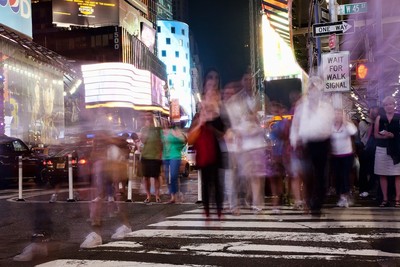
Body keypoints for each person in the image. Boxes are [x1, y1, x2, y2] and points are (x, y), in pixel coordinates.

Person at [224, 69, 268, 214]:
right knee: (244, 175)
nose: (249, 82)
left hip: (257, 143)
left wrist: (259, 122)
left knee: (256, 175)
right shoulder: (235, 101)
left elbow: (266, 118)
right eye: (246, 79)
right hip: (241, 144)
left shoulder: (261, 98)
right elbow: (233, 123)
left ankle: (256, 203)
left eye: (251, 79)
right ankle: (241, 200)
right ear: (242, 82)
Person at [290, 76, 335, 214]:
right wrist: (294, 140)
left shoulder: (327, 107)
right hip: (307, 143)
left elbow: (330, 125)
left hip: (322, 143)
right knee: (308, 174)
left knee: (321, 175)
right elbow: (295, 125)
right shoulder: (301, 107)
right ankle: (310, 199)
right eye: (311, 88)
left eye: (315, 88)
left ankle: (318, 202)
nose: (313, 91)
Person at [188, 68, 226, 219]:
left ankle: (218, 212)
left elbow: (223, 134)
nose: (212, 85)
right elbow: (190, 137)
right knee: (205, 182)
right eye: (210, 80)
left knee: (216, 182)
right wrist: (201, 121)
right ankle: (208, 212)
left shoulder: (220, 110)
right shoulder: (199, 114)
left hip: (216, 150)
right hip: (203, 151)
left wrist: (211, 124)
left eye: (215, 79)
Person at [80, 136, 132, 248]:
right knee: (98, 200)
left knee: (116, 197)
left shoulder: (112, 147)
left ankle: (122, 227)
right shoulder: (100, 146)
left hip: (112, 168)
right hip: (104, 168)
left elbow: (118, 170)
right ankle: (97, 234)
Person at [373, 96, 400, 207]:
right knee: (382, 174)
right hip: (382, 148)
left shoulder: (399, 117)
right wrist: (385, 137)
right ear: (384, 107)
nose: (389, 106)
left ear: (394, 105)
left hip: (396, 149)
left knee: (398, 174)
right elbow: (375, 134)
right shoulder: (379, 117)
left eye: (390, 104)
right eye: (386, 104)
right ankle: (385, 198)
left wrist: (394, 135)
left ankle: (398, 198)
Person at [330, 109, 358, 208]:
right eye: (336, 114)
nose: (337, 116)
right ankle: (341, 196)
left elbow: (353, 131)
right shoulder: (330, 126)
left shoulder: (347, 126)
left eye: (339, 114)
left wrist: (346, 122)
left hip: (346, 155)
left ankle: (345, 196)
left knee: (345, 175)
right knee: (337, 176)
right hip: (335, 155)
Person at [161, 121, 187, 204]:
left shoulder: (175, 130)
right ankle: (173, 196)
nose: (164, 123)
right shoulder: (161, 133)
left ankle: (175, 195)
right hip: (165, 156)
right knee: (167, 177)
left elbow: (183, 140)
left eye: (166, 122)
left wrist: (176, 136)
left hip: (175, 156)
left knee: (173, 175)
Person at [140, 113, 163, 203]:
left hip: (155, 156)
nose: (148, 117)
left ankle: (157, 195)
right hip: (145, 155)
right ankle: (148, 196)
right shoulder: (143, 129)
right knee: (146, 177)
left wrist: (160, 153)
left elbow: (161, 142)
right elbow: (143, 140)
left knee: (156, 177)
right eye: (146, 115)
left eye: (149, 115)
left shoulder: (158, 129)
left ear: (153, 116)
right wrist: (147, 128)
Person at [358, 106, 379, 198]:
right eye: (372, 111)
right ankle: (363, 189)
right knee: (363, 170)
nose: (374, 113)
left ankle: (371, 187)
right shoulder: (363, 122)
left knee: (374, 170)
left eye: (376, 112)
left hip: (376, 149)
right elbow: (365, 134)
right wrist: (373, 124)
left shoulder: (379, 121)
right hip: (365, 149)